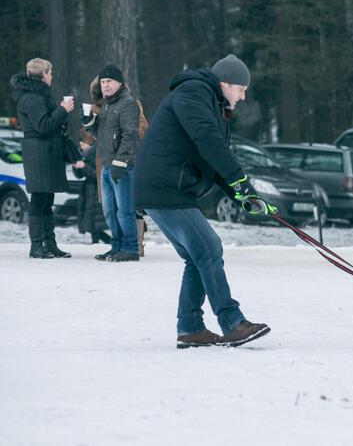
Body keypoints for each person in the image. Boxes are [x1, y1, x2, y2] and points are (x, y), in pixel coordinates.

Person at [133, 54, 275, 349]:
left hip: (168, 189)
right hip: (164, 188)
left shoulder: (211, 103)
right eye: (241, 89)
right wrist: (242, 184)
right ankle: (232, 323)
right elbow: (207, 141)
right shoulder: (193, 93)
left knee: (197, 257)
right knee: (209, 247)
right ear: (224, 83)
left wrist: (244, 196)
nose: (243, 95)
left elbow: (211, 158)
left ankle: (190, 328)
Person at [9, 58, 74, 259]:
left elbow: (49, 123)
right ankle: (37, 246)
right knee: (39, 199)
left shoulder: (37, 95)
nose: (52, 76)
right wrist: (63, 109)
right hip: (39, 153)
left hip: (45, 152)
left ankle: (49, 244)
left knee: (46, 198)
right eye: (50, 73)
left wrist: (62, 117)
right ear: (44, 74)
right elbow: (43, 125)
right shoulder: (32, 98)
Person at [81, 64, 140, 262]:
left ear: (120, 83)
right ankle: (116, 247)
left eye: (109, 82)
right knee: (110, 211)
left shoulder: (128, 104)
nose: (105, 85)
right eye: (103, 82)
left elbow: (130, 135)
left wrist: (121, 162)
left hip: (121, 166)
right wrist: (89, 123)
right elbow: (101, 135)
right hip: (105, 165)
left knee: (124, 210)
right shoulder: (107, 104)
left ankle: (130, 248)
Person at [73, 140, 110, 244]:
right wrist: (76, 166)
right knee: (91, 222)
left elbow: (98, 175)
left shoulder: (98, 154)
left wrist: (84, 167)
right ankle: (97, 242)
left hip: (96, 191)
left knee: (95, 222)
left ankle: (108, 242)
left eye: (83, 144)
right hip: (88, 191)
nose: (81, 146)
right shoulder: (86, 155)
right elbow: (79, 175)